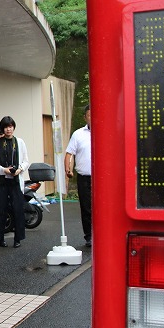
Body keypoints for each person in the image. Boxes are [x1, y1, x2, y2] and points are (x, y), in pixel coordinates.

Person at [0, 116, 29, 248]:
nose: (9, 129)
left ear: (14, 127)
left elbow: (26, 161)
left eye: (11, 126)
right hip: (1, 181)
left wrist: (20, 169)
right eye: (6, 127)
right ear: (3, 129)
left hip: (16, 181)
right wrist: (4, 170)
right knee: (0, 209)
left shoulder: (20, 142)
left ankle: (18, 238)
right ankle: (0, 238)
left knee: (18, 209)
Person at [65, 104, 92, 246]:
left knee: (103, 207)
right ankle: (89, 236)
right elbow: (69, 153)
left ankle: (103, 234)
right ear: (85, 117)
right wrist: (68, 169)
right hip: (84, 178)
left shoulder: (105, 131)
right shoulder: (78, 134)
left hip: (102, 178)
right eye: (89, 115)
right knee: (86, 207)